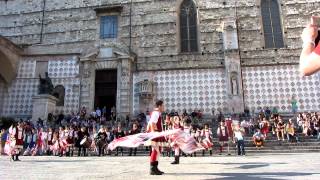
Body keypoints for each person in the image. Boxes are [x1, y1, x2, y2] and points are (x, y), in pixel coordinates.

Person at [147, 100, 166, 175]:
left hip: (157, 134)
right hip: (155, 134)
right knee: (155, 150)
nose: (164, 107)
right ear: (159, 106)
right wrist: (155, 134)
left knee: (158, 151)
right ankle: (152, 169)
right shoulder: (156, 113)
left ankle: (155, 168)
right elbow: (152, 123)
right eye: (163, 106)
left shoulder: (157, 113)